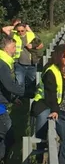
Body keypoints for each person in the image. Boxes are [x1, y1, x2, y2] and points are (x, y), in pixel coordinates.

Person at [32, 44, 65, 164]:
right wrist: (55, 110)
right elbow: (51, 93)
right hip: (50, 107)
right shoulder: (51, 71)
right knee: (43, 138)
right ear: (58, 56)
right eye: (64, 56)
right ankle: (39, 159)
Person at [0, 33, 28, 161]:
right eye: (13, 47)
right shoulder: (2, 65)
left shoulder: (4, 62)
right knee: (8, 135)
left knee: (5, 136)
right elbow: (9, 85)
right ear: (6, 48)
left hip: (3, 104)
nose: (15, 50)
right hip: (0, 106)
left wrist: (12, 99)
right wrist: (26, 92)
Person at [12, 23, 43, 90]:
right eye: (18, 31)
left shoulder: (31, 35)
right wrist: (15, 26)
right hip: (19, 64)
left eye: (22, 30)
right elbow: (4, 29)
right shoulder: (14, 35)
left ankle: (29, 97)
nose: (20, 32)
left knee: (32, 82)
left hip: (31, 64)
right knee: (19, 82)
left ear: (26, 29)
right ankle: (19, 98)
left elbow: (41, 45)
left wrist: (32, 46)